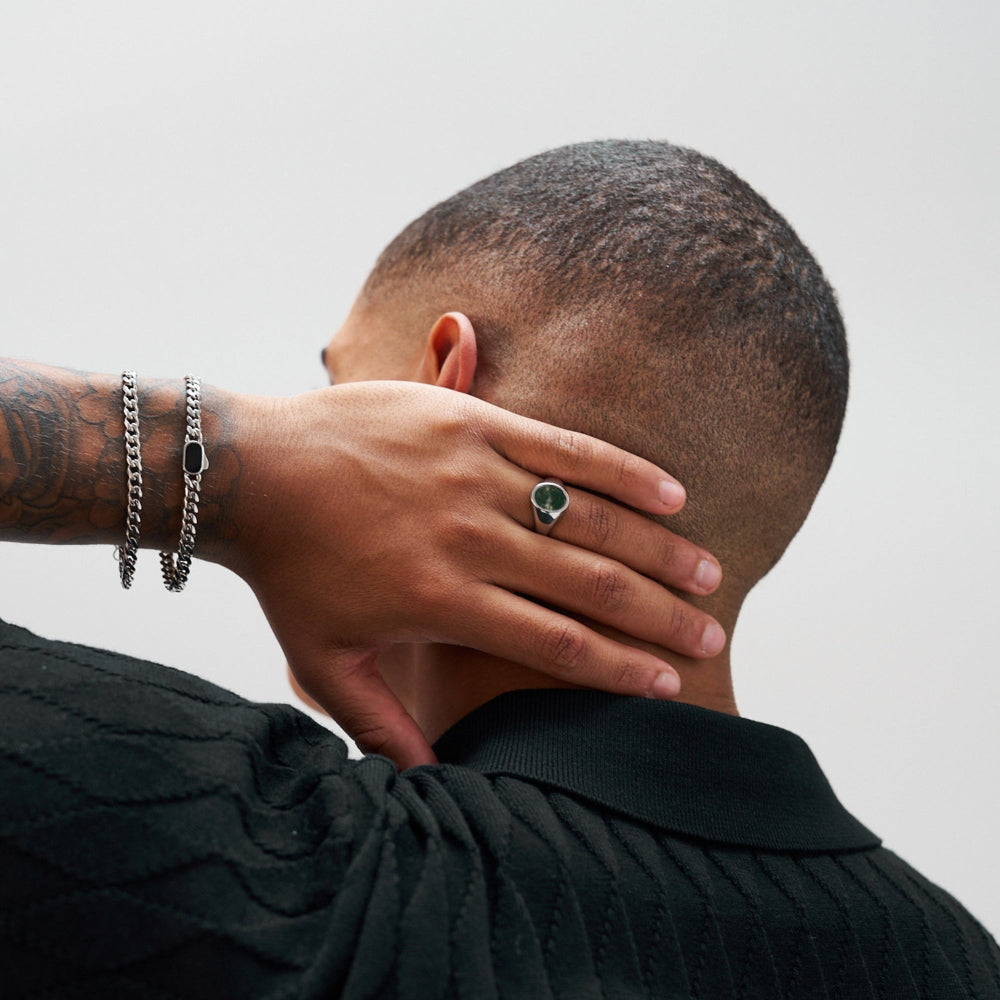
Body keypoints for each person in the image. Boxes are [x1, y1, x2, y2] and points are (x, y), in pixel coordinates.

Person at [1, 140, 997, 998]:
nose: (316, 427)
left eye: (337, 397)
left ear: (447, 382)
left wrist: (232, 464)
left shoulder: (279, 869)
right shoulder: (957, 961)